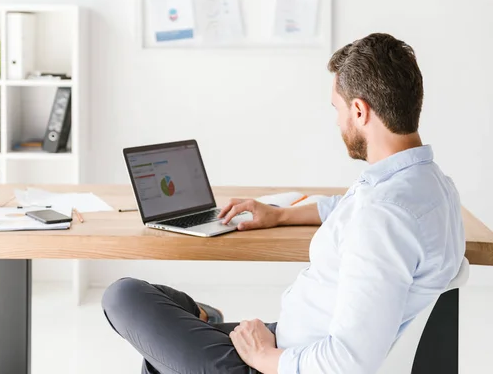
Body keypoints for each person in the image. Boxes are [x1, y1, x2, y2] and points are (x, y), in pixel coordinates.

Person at [101, 33, 466, 374]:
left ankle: (201, 318)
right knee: (161, 350)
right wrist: (279, 215)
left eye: (336, 108)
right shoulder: (426, 183)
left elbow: (349, 361)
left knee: (124, 297)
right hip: (291, 340)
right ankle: (201, 317)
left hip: (286, 360)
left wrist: (266, 356)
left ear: (359, 111)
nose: (337, 121)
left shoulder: (384, 216)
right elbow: (345, 207)